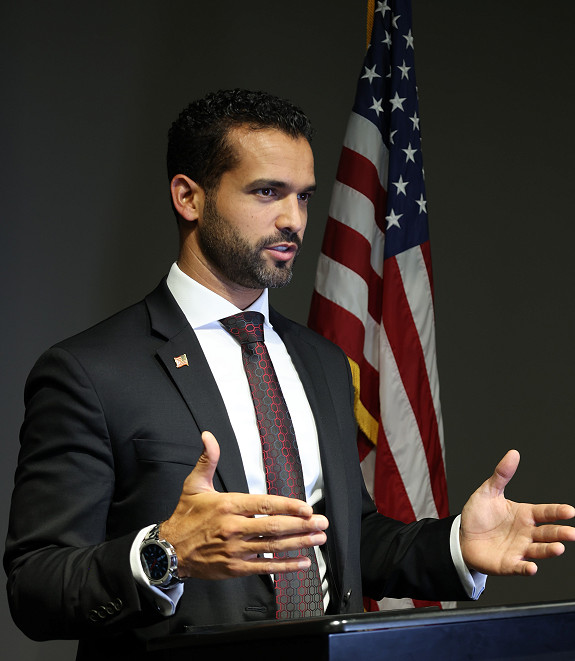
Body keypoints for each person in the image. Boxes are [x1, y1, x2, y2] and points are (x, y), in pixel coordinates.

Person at [5, 89, 575, 660]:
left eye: (303, 196)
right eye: (266, 192)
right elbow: (36, 587)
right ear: (188, 198)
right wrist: (165, 552)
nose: (293, 220)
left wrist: (455, 544)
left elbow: (347, 540)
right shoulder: (89, 372)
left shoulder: (322, 362)